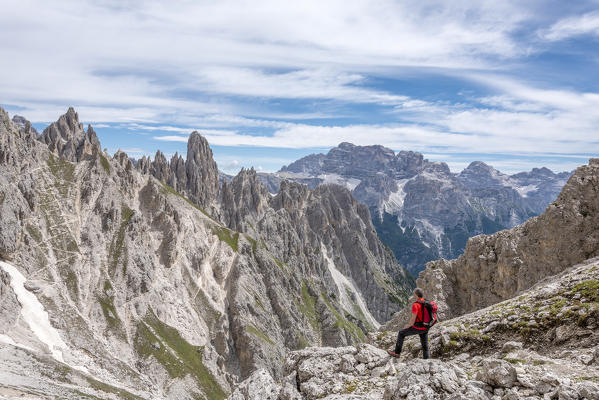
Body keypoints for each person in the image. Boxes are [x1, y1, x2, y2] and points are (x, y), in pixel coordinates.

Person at [387, 287, 430, 359]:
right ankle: (426, 358)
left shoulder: (416, 305)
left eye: (414, 294)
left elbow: (413, 318)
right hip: (426, 326)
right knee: (424, 343)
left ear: (416, 295)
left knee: (401, 333)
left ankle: (397, 353)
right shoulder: (426, 302)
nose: (413, 295)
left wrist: (408, 325)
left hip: (418, 326)